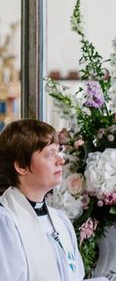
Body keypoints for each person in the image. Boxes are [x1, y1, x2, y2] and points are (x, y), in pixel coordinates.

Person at [0, 119, 106, 281]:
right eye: (50, 154)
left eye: (59, 151)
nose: (61, 160)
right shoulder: (6, 222)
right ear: (21, 166)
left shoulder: (60, 220)